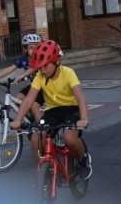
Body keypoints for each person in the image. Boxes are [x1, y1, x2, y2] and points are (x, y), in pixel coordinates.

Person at [10, 40, 92, 179]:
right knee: (36, 139)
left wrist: (84, 118)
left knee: (69, 139)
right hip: (52, 111)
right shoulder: (40, 76)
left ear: (57, 61)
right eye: (40, 67)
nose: (42, 70)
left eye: (45, 66)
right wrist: (18, 120)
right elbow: (29, 99)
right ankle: (43, 173)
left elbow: (79, 96)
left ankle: (84, 159)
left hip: (72, 109)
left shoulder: (68, 73)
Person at [0, 33, 45, 121]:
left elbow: (34, 68)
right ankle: (30, 119)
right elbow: (10, 69)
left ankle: (43, 131)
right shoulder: (24, 59)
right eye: (31, 47)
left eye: (37, 46)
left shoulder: (42, 58)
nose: (34, 49)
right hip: (34, 86)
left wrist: (22, 75)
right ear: (25, 49)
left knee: (34, 106)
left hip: (44, 87)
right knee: (18, 99)